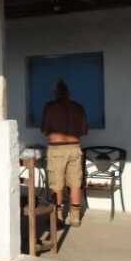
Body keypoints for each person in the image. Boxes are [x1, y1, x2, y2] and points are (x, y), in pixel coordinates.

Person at [41, 79, 88, 226]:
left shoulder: (50, 107)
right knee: (75, 183)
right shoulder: (78, 107)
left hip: (57, 149)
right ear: (68, 92)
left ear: (55, 92)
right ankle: (75, 218)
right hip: (75, 147)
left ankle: (58, 217)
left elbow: (44, 129)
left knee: (57, 184)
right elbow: (84, 130)